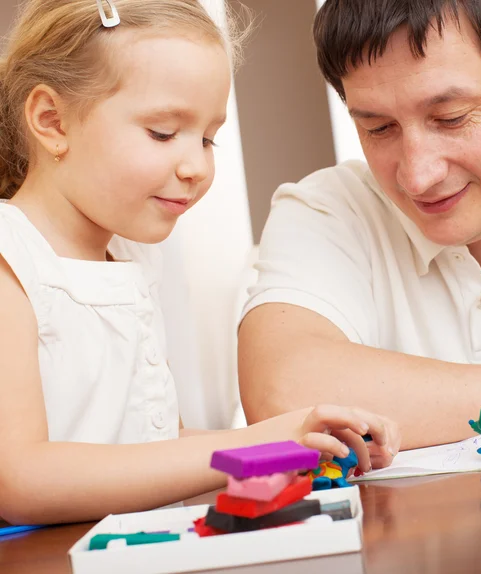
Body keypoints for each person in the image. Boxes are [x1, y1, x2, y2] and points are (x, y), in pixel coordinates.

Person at [0, 0, 399, 526]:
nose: (196, 167)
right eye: (163, 133)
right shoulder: (12, 259)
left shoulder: (133, 259)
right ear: (52, 121)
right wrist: (260, 441)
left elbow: (154, 446)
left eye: (208, 138)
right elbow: (20, 479)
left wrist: (294, 444)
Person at [238, 0, 481, 455]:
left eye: (451, 118)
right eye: (379, 128)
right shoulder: (328, 208)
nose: (417, 176)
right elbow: (283, 397)